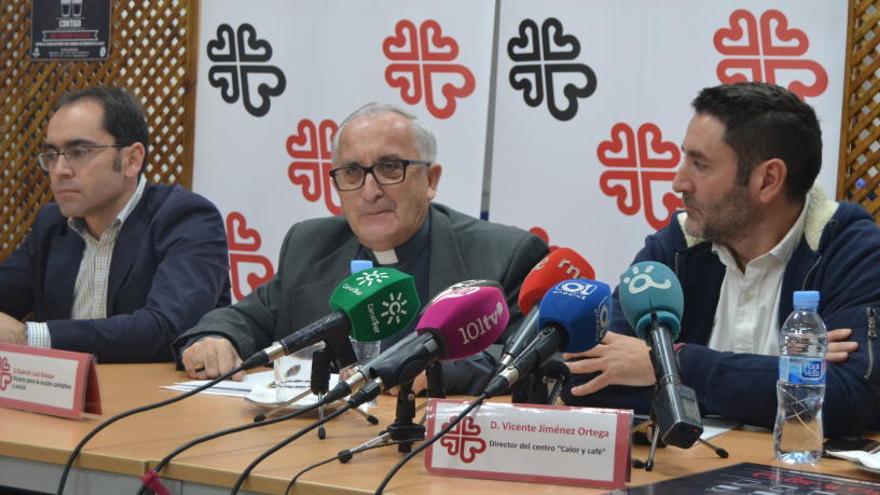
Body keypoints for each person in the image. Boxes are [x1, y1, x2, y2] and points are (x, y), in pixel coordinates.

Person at [562, 82, 880, 437]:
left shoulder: (852, 252)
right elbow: (586, 377)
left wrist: (669, 364)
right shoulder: (678, 246)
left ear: (767, 180)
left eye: (700, 164)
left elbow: (847, 400)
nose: (678, 182)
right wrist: (789, 372)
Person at [175, 103, 548, 394]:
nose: (370, 192)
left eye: (390, 168)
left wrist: (438, 369)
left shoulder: (504, 255)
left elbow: (538, 353)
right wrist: (214, 339)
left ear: (431, 181)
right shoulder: (310, 245)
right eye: (352, 173)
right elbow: (245, 318)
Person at [0, 86, 231, 362]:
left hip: (154, 398)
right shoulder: (52, 225)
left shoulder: (186, 218)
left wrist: (32, 337)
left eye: (79, 151)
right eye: (53, 154)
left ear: (131, 160)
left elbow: (168, 328)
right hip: (65, 399)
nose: (60, 170)